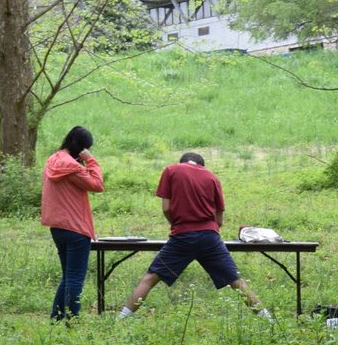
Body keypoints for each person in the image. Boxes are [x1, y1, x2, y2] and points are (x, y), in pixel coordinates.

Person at [118, 152, 272, 319]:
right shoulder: (212, 178)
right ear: (201, 165)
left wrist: (177, 225)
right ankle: (268, 319)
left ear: (182, 162)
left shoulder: (171, 170)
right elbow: (219, 219)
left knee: (150, 279)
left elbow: (166, 208)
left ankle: (121, 319)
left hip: (182, 236)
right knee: (236, 280)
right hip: (210, 237)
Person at [40, 126, 104, 321]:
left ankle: (57, 320)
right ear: (81, 147)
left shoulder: (53, 160)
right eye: (87, 148)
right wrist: (91, 160)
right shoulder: (73, 167)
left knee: (68, 277)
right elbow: (97, 185)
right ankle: (72, 321)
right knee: (75, 278)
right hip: (76, 228)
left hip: (57, 227)